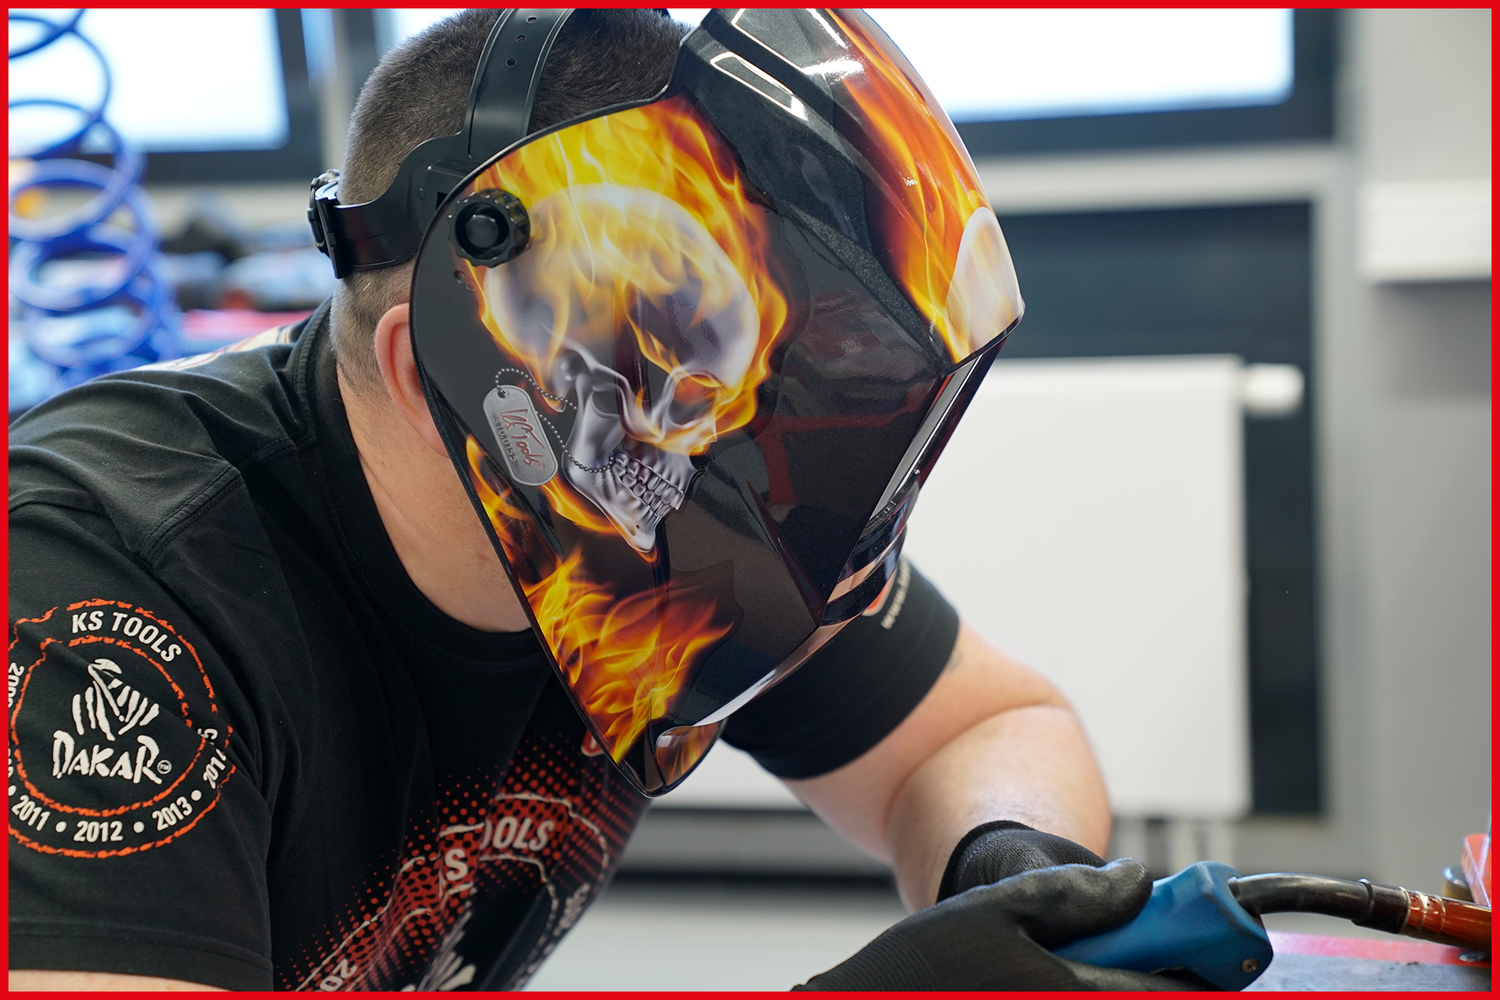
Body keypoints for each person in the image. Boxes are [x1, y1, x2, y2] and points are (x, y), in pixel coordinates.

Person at [9, 10, 1192, 991]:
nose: (703, 462)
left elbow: (984, 728)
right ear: (445, 380)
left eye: (720, 403)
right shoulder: (104, 598)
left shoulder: (651, 538)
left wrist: (1004, 865)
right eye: (650, 392)